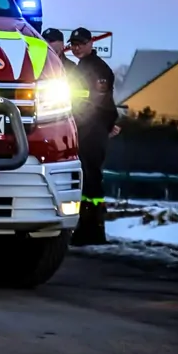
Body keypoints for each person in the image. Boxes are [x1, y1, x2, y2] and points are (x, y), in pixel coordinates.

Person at [67, 27, 119, 246]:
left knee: (91, 178)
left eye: (81, 44)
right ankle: (87, 226)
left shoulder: (97, 69)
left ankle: (94, 229)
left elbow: (99, 103)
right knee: (86, 178)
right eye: (74, 44)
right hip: (85, 128)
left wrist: (104, 125)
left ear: (90, 44)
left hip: (92, 129)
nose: (77, 48)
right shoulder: (83, 67)